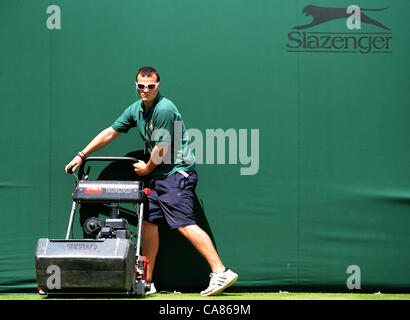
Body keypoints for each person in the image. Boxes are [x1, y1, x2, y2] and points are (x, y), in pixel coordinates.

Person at [65, 66, 238, 296]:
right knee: (148, 224)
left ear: (158, 86)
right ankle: (147, 282)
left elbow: (162, 148)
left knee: (184, 223)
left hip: (176, 174)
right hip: (158, 177)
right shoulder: (136, 109)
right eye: (141, 86)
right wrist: (82, 154)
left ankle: (221, 271)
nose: (145, 90)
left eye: (150, 86)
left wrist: (146, 168)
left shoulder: (164, 109)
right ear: (136, 86)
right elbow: (110, 132)